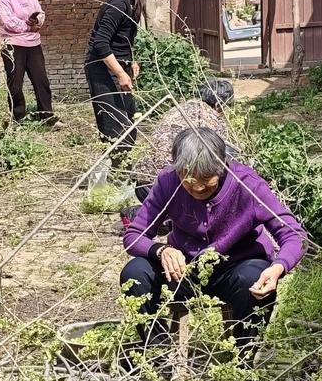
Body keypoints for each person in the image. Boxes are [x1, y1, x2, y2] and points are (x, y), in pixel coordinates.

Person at [120, 125, 304, 350]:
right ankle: (157, 354)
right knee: (135, 273)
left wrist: (278, 268)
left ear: (222, 167)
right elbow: (134, 234)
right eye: (188, 179)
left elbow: (294, 235)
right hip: (184, 270)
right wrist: (160, 250)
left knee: (253, 278)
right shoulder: (168, 182)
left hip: (235, 268)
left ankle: (243, 362)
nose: (197, 187)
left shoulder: (247, 184)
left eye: (206, 178)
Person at [85, 0, 169, 166]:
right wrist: (120, 73)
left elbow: (124, 37)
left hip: (119, 64)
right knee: (115, 124)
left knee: (129, 120)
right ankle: (118, 174)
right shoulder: (118, 3)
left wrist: (130, 61)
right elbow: (101, 44)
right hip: (102, 68)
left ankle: (122, 170)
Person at [129, 77, 236, 197]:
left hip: (142, 187)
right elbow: (220, 158)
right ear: (219, 104)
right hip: (169, 189)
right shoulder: (211, 118)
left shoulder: (176, 109)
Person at [0, 0, 55, 125]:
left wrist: (38, 23)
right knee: (15, 84)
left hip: (33, 44)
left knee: (41, 80)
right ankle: (18, 119)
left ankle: (48, 117)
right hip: (13, 45)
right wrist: (27, 27)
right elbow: (8, 21)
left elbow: (40, 13)